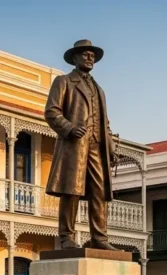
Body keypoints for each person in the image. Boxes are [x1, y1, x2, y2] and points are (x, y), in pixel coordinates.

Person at [44, 39, 119, 251]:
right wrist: (68, 128)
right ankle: (66, 236)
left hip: (97, 146)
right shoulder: (64, 81)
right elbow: (52, 111)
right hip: (75, 145)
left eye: (92, 56)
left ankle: (99, 238)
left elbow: (105, 123)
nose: (89, 58)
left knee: (99, 192)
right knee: (72, 191)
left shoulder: (99, 90)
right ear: (75, 58)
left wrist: (111, 147)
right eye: (85, 54)